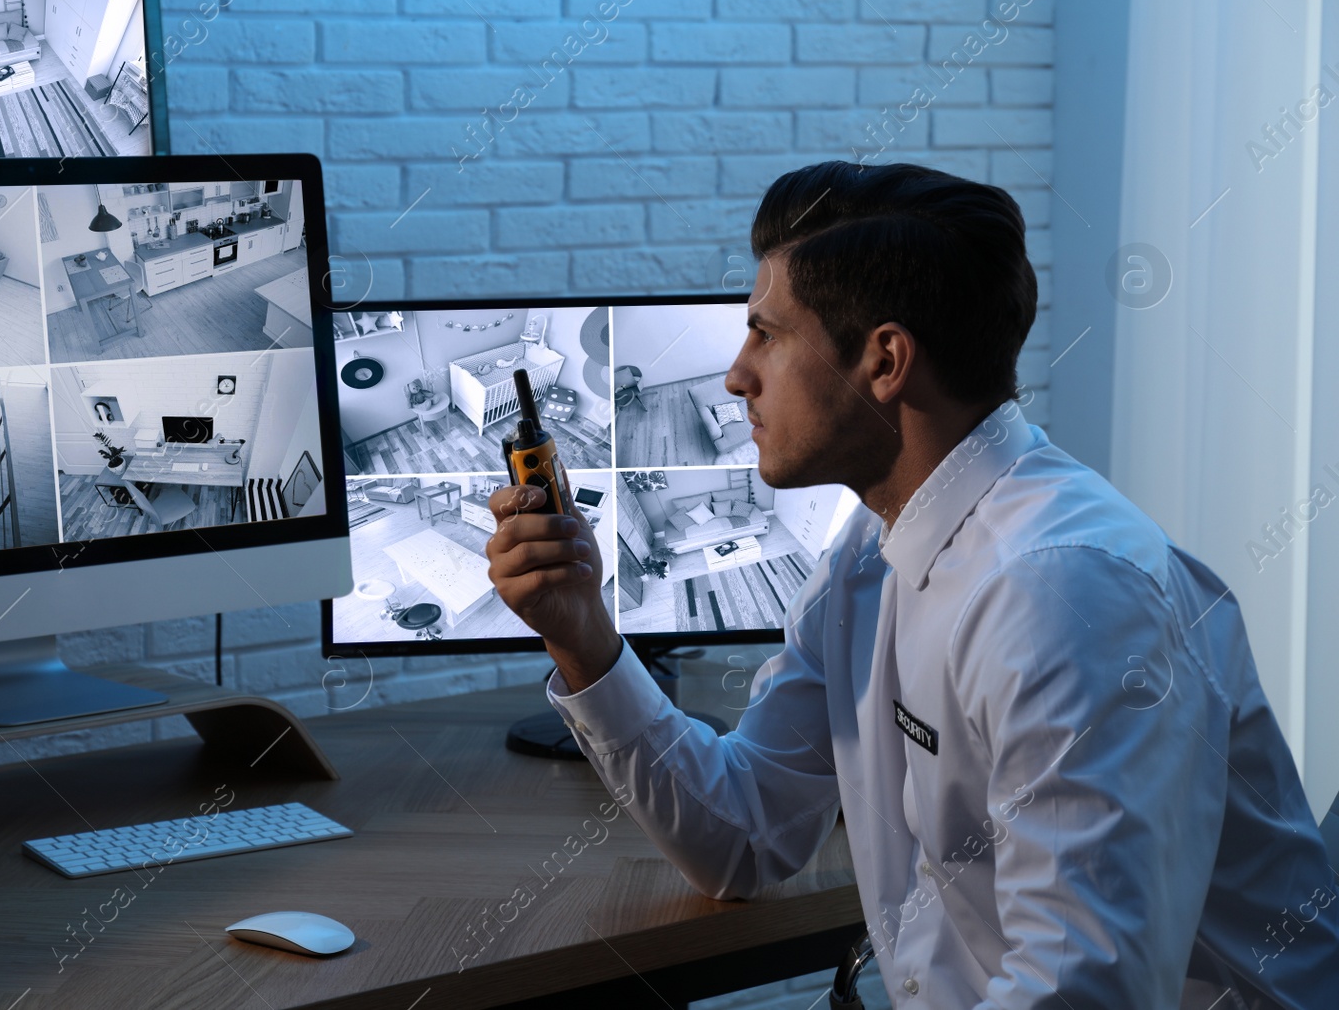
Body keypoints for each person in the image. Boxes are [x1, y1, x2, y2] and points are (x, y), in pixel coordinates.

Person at [483, 161, 1339, 1008]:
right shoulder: (873, 547)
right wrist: (582, 634)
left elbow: (1083, 995)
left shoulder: (1066, 596)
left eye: (766, 334)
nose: (736, 374)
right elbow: (743, 835)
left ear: (885, 360)